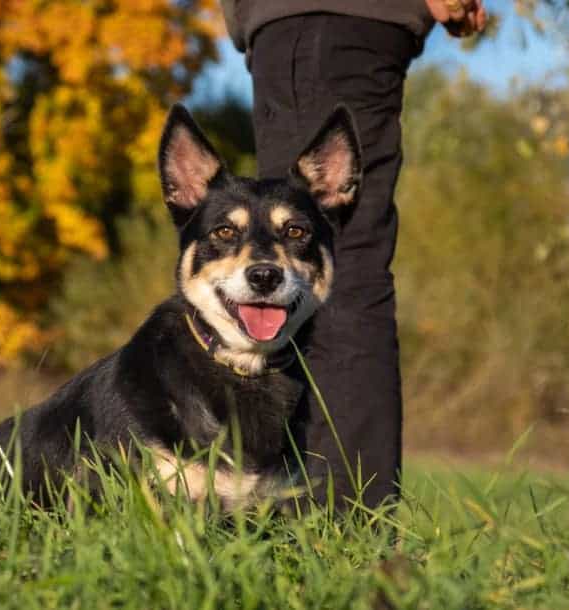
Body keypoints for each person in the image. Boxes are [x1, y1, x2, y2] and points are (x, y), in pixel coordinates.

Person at [219, 0, 487, 508]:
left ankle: (334, 524)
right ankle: (345, 520)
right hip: (345, 30)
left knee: (325, 274)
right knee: (330, 270)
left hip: (319, 22)